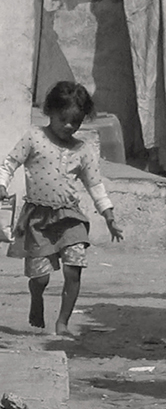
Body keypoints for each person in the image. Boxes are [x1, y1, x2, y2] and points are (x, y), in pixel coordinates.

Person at [0, 83, 123, 336]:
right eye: (63, 119)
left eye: (75, 122)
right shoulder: (34, 137)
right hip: (37, 219)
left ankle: (63, 323)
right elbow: (10, 162)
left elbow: (95, 185)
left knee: (73, 269)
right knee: (40, 277)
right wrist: (1, 184)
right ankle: (37, 298)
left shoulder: (82, 150)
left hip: (70, 218)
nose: (69, 126)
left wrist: (108, 214)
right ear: (50, 112)